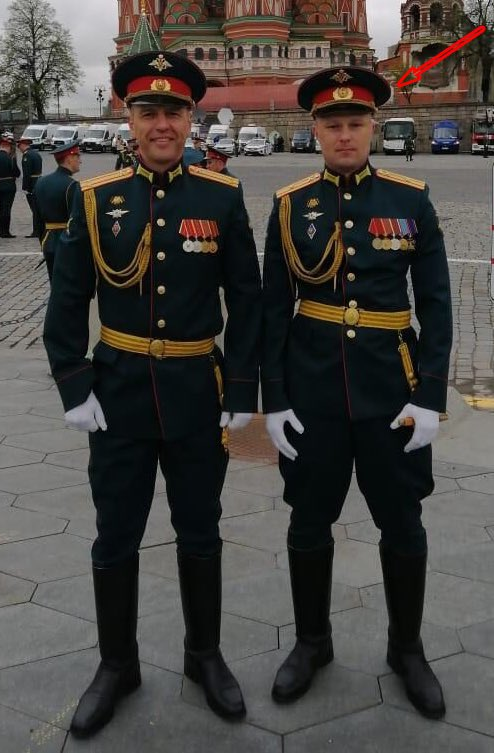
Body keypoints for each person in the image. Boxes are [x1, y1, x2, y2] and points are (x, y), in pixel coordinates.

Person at [44, 50, 261, 738]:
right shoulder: (95, 198)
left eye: (173, 111)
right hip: (120, 397)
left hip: (197, 393)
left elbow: (248, 300)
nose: (161, 123)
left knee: (200, 529)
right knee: (115, 534)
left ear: (191, 118)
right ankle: (117, 664)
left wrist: (243, 385)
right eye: (148, 111)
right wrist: (74, 383)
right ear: (129, 119)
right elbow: (67, 298)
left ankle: (204, 655)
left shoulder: (220, 197)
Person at [261, 66, 452, 720]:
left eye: (355, 123)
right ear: (315, 130)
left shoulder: (410, 199)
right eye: (332, 124)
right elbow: (273, 307)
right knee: (308, 520)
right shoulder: (291, 205)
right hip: (313, 390)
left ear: (372, 127)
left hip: (391, 390)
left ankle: (407, 648)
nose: (344, 135)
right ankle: (312, 642)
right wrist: (274, 397)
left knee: (403, 521)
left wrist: (430, 394)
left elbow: (436, 303)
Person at [33, 141, 81, 282]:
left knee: (54, 284)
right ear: (69, 159)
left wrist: (44, 243)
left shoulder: (41, 182)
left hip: (48, 241)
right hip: (68, 243)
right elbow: (77, 220)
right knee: (69, 286)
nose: (80, 161)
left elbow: (37, 219)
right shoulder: (72, 185)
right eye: (78, 156)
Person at [0, 135, 20, 238]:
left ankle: (1, 231)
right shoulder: (11, 158)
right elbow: (17, 173)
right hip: (9, 185)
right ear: (8, 148)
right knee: (7, 208)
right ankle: (6, 232)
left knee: (1, 208)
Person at [17, 136, 43, 237]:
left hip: (32, 184)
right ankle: (40, 229)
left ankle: (36, 231)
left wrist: (25, 187)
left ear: (23, 145)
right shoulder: (36, 154)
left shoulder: (27, 155)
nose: (19, 148)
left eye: (19, 146)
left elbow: (26, 173)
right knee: (38, 208)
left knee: (35, 209)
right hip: (38, 181)